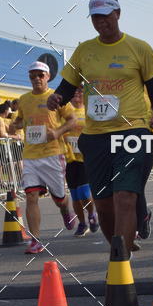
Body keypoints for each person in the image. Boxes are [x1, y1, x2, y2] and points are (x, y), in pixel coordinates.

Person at [48, 0, 153, 253]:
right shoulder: (85, 50)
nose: (100, 22)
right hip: (96, 137)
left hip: (133, 132)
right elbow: (67, 84)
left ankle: (121, 261)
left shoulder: (140, 49)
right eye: (95, 17)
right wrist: (57, 97)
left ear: (117, 13)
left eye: (105, 16)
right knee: (104, 204)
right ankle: (121, 247)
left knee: (125, 197)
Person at [14, 61, 77, 254]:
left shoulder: (56, 97)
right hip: (31, 155)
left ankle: (66, 210)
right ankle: (35, 240)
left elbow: (72, 120)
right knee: (31, 196)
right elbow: (19, 119)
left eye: (40, 75)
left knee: (59, 198)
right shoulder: (23, 99)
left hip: (52, 154)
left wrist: (57, 132)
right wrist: (14, 124)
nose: (36, 79)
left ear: (48, 77)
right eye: (33, 76)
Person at [63, 87, 99, 237]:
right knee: (76, 196)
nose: (77, 94)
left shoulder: (90, 111)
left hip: (86, 158)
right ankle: (82, 223)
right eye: (74, 91)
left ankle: (92, 214)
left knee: (85, 192)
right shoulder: (65, 111)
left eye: (80, 91)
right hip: (70, 158)